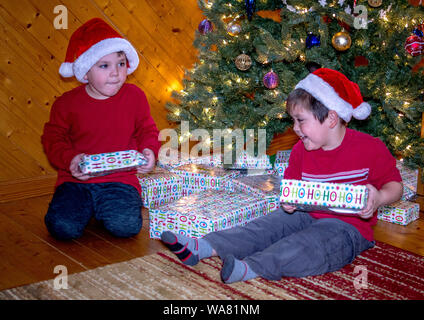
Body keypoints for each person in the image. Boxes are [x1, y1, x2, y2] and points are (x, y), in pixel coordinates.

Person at [160, 68, 403, 284]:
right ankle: (203, 246)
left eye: (301, 121)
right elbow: (293, 188)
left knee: (311, 245)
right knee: (267, 225)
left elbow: (396, 186)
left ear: (331, 118)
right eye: (293, 121)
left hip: (349, 228)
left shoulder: (369, 147)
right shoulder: (300, 150)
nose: (295, 128)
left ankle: (252, 267)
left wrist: (379, 197)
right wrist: (290, 199)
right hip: (305, 214)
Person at [42, 18, 160, 240]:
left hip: (120, 179)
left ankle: (101, 209)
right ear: (85, 72)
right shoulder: (66, 104)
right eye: (104, 66)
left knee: (126, 227)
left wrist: (149, 151)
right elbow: (52, 139)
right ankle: (84, 209)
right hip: (76, 181)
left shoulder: (135, 96)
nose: (115, 73)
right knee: (62, 228)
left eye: (121, 63)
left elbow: (147, 130)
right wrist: (71, 159)